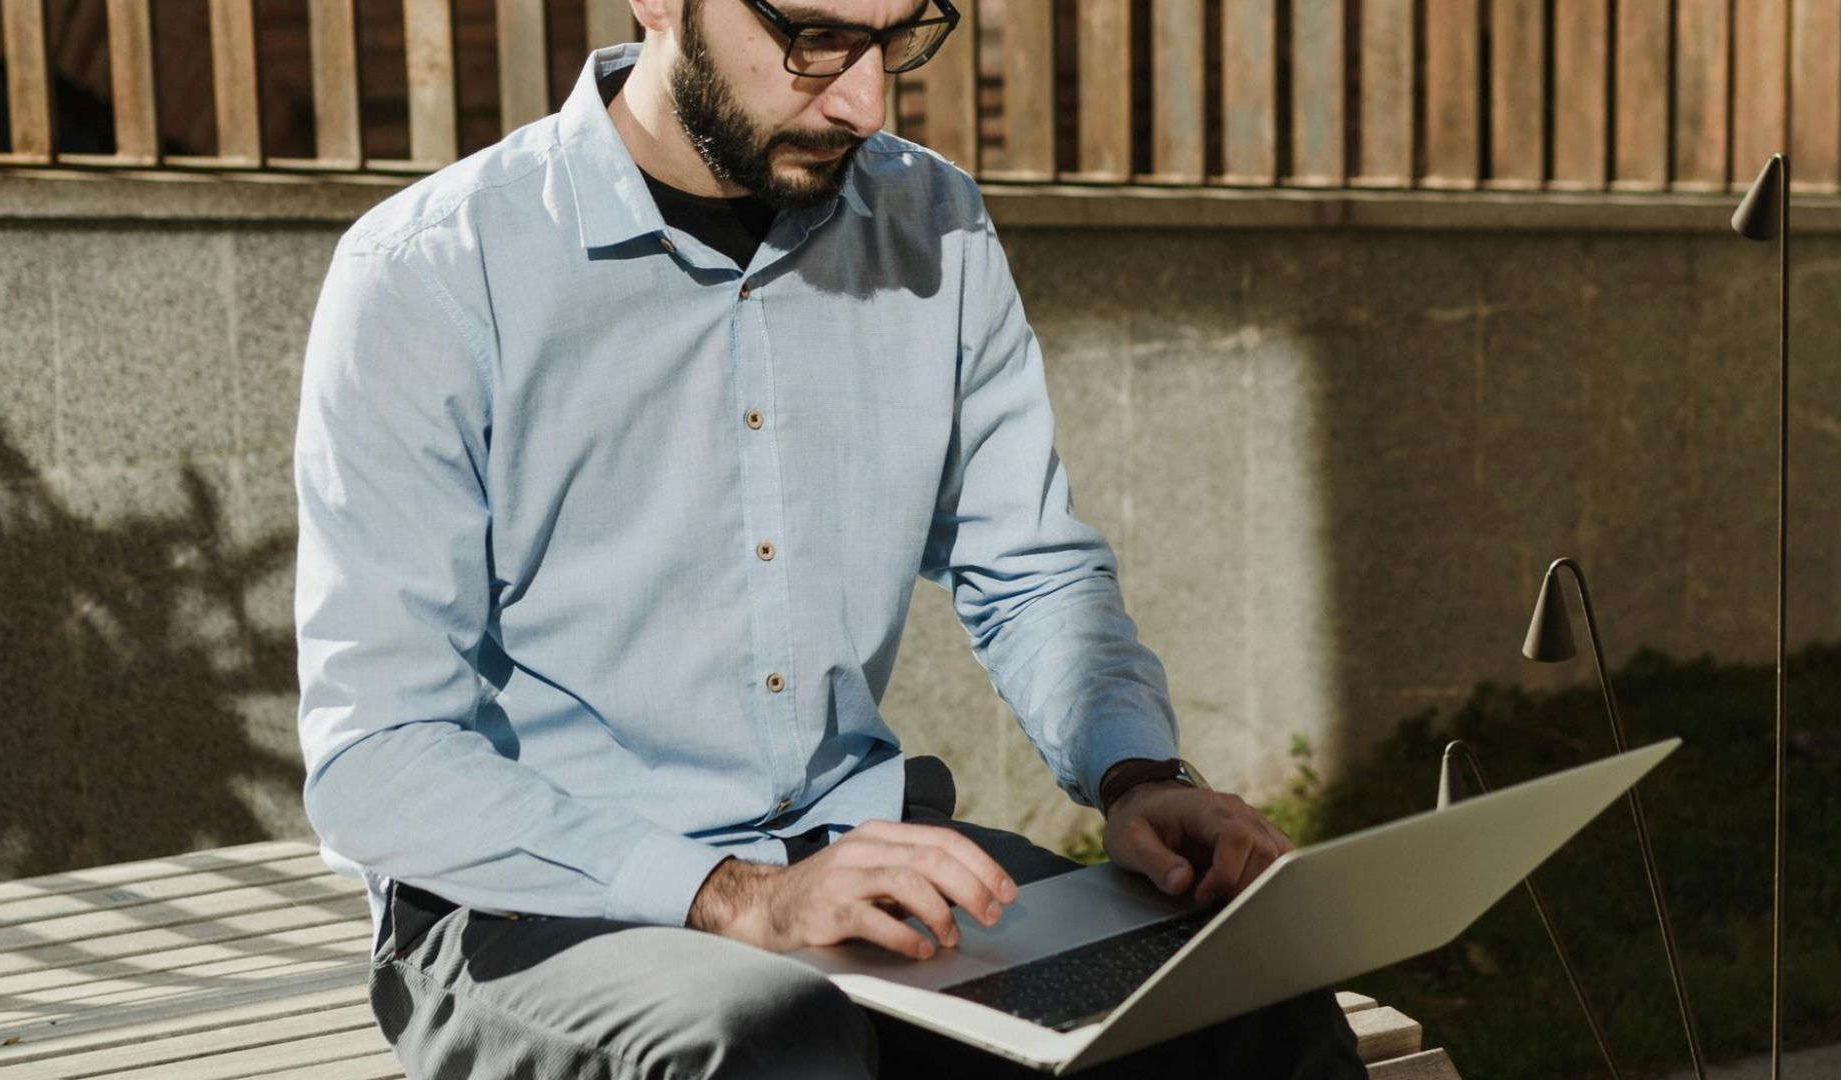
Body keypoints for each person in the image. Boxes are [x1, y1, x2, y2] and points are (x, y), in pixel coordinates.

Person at [293, 0, 1370, 1075]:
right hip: (533, 910)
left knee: (1243, 998)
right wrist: (735, 898)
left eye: (895, 40)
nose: (864, 99)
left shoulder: (930, 220)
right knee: (773, 1046)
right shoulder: (432, 273)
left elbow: (1028, 567)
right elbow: (376, 756)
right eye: (813, 37)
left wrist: (1139, 776)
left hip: (847, 858)